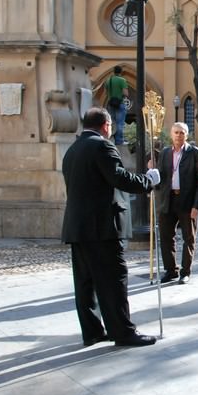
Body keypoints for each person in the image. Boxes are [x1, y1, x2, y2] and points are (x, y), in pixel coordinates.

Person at [61, 107, 161, 347]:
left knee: (86, 282)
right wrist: (148, 180)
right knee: (113, 280)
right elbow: (119, 177)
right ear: (106, 125)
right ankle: (123, 332)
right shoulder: (102, 146)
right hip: (102, 226)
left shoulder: (72, 150)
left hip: (78, 226)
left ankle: (93, 331)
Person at [154, 122, 198, 285]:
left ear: (187, 135)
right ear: (171, 134)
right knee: (166, 237)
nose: (179, 135)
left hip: (187, 201)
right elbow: (161, 177)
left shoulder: (195, 153)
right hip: (167, 200)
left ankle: (185, 272)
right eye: (176, 132)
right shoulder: (165, 153)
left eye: (182, 132)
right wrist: (152, 175)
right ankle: (171, 271)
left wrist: (197, 205)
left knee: (188, 238)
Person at [105, 65, 129, 146]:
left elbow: (106, 93)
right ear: (121, 72)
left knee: (111, 122)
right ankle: (119, 141)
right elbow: (125, 93)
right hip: (119, 103)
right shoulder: (122, 80)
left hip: (110, 103)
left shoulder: (108, 80)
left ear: (113, 71)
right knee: (120, 123)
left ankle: (112, 139)